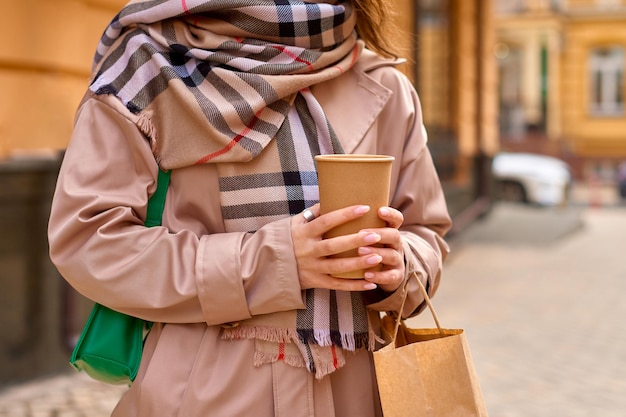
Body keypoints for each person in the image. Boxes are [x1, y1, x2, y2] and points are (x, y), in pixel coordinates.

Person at [48, 0, 452, 416]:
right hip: (205, 392)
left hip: (359, 392)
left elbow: (426, 232)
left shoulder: (381, 80)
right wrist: (271, 263)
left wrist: (399, 266)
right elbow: (89, 241)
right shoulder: (146, 70)